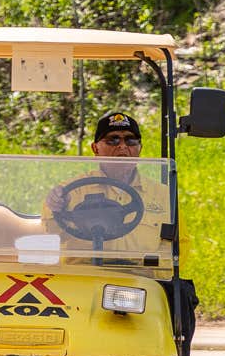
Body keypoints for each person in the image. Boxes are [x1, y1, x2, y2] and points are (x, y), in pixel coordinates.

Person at [41, 111, 171, 260]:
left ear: (139, 148)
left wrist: (154, 275)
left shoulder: (163, 195)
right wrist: (55, 205)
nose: (122, 146)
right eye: (113, 140)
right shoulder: (70, 191)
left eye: (130, 140)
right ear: (95, 149)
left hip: (140, 279)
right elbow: (52, 234)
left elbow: (176, 244)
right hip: (88, 277)